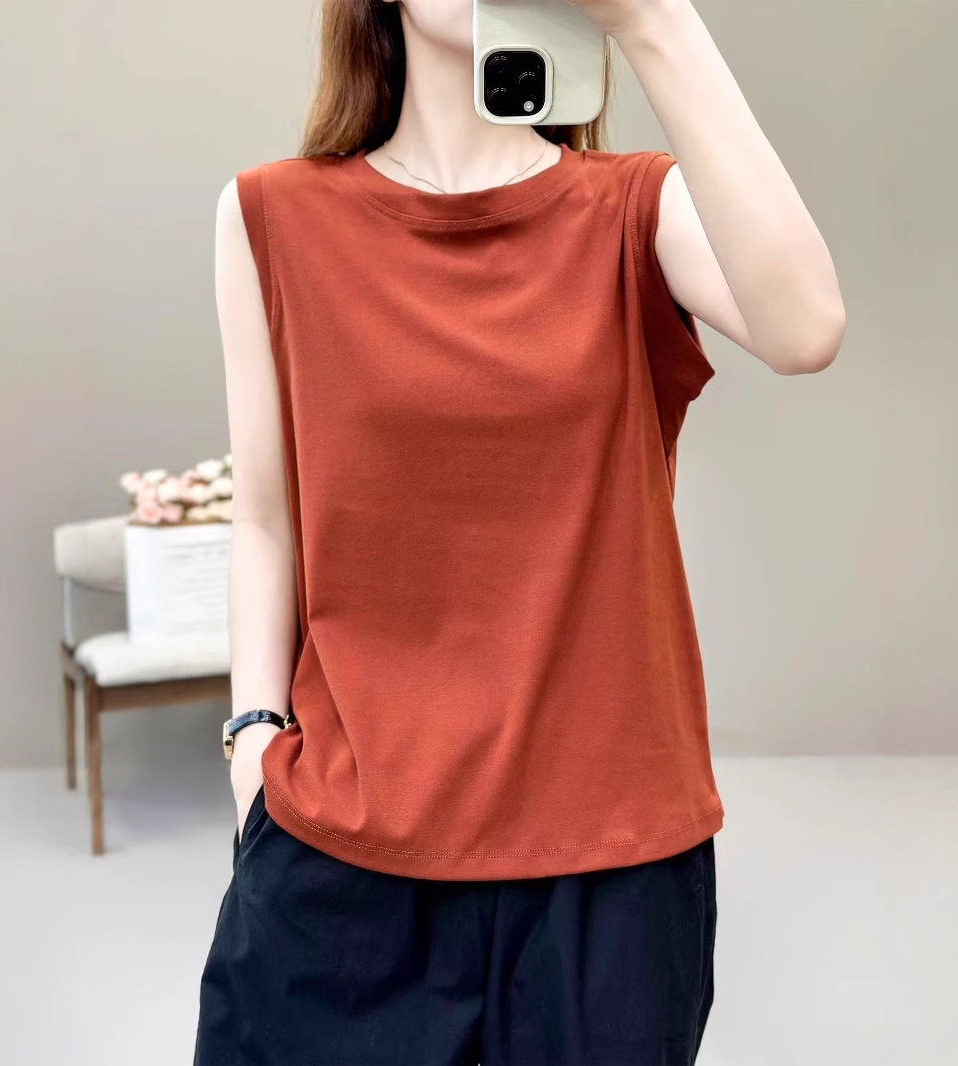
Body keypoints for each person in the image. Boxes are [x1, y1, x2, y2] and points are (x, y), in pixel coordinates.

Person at [193, 1, 845, 1063]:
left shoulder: (635, 211)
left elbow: (806, 327)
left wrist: (654, 20)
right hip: (340, 865)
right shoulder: (271, 217)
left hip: (611, 877)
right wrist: (253, 739)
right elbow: (267, 518)